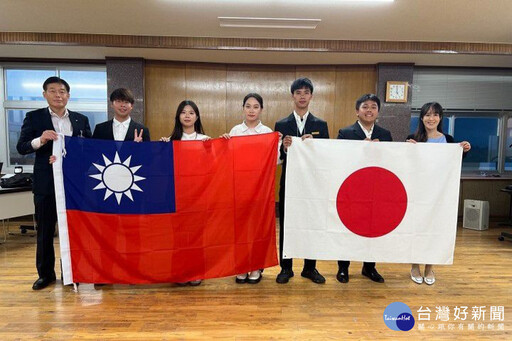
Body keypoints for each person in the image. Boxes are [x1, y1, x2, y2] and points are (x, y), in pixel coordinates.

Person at [16, 76, 92, 290]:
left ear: (68, 95)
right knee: (45, 230)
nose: (58, 95)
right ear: (44, 94)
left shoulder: (80, 119)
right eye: (53, 91)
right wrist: (41, 141)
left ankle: (71, 272)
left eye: (62, 91)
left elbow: (88, 148)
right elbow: (22, 147)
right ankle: (46, 274)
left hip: (74, 184)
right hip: (46, 183)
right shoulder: (34, 118)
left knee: (75, 230)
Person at [406, 101, 471, 285]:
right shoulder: (413, 138)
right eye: (427, 114)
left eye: (435, 114)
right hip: (417, 194)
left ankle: (429, 267)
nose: (431, 118)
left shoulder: (449, 140)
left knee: (435, 230)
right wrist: (407, 149)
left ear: (440, 118)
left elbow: (455, 161)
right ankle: (415, 266)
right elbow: (406, 164)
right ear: (421, 118)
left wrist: (464, 149)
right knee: (417, 230)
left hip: (440, 196)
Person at [274, 77, 329, 284]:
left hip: (312, 185)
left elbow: (325, 156)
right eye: (298, 92)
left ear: (311, 96)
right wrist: (285, 147)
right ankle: (286, 268)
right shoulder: (281, 124)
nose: (302, 96)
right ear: (293, 96)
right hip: (289, 182)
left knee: (311, 224)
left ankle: (310, 267)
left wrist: (315, 146)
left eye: (306, 92)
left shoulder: (320, 125)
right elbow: (276, 157)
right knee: (287, 224)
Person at [336, 93, 391, 284]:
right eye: (365, 107)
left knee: (373, 230)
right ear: (357, 111)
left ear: (378, 112)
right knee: (348, 228)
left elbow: (392, 162)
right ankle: (343, 268)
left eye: (373, 107)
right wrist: (360, 149)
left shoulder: (385, 135)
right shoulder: (346, 133)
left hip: (376, 192)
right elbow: (338, 160)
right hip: (352, 190)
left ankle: (369, 267)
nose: (369, 110)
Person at [221, 92, 273, 284]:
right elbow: (226, 160)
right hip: (239, 187)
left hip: (259, 187)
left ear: (261, 109)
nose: (251, 110)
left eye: (256, 106)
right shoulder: (235, 131)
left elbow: (274, 161)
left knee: (256, 228)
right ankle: (241, 266)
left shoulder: (267, 131)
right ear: (243, 108)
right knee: (240, 228)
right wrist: (223, 144)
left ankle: (255, 266)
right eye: (248, 106)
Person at [161, 100, 209, 286]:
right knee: (179, 236)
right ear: (178, 116)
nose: (187, 116)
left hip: (198, 196)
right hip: (176, 196)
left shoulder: (205, 140)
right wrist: (162, 148)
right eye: (183, 112)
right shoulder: (170, 141)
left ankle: (196, 272)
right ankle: (180, 272)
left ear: (197, 116)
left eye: (191, 112)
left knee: (197, 235)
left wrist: (222, 142)